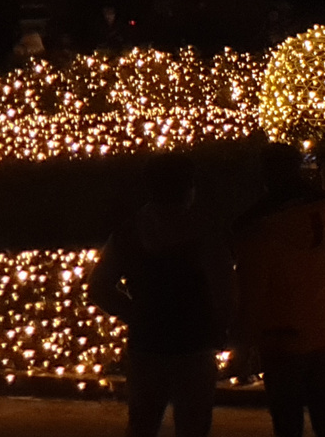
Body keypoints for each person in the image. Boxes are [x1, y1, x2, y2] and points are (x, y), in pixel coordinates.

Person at [91, 153, 233, 437]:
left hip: (147, 345)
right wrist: (225, 330)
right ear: (189, 186)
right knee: (193, 426)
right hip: (195, 345)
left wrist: (134, 312)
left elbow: (99, 286)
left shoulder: (129, 232)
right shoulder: (205, 232)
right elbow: (225, 288)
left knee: (143, 424)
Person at [234, 143, 325, 437]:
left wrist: (243, 346)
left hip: (280, 338)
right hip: (324, 332)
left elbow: (251, 293)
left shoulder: (257, 229)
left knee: (287, 423)